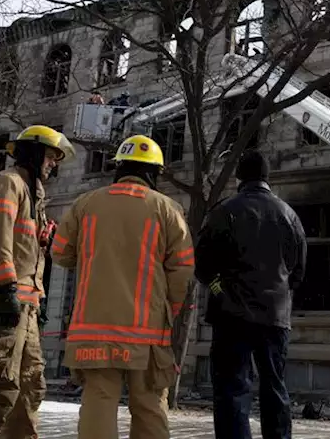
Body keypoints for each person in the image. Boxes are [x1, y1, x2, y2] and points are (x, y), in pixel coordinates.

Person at [51, 134, 195, 439]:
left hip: (94, 330)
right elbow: (182, 270)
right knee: (149, 406)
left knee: (98, 402)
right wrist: (171, 309)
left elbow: (61, 253)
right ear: (153, 173)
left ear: (119, 167)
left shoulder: (85, 203)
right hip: (147, 333)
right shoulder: (167, 209)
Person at [0, 125, 75, 439]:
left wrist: (36, 294)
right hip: (2, 302)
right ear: (34, 154)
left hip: (24, 305)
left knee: (28, 388)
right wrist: (7, 289)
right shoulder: (7, 185)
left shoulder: (32, 194)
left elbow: (21, 249)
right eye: (51, 156)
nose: (54, 164)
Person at [195, 151, 306, 439]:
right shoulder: (289, 215)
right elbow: (298, 270)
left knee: (232, 388)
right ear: (267, 177)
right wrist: (280, 293)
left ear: (239, 177)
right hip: (274, 316)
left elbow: (204, 265)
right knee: (275, 387)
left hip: (232, 316)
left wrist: (221, 291)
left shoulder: (224, 211)